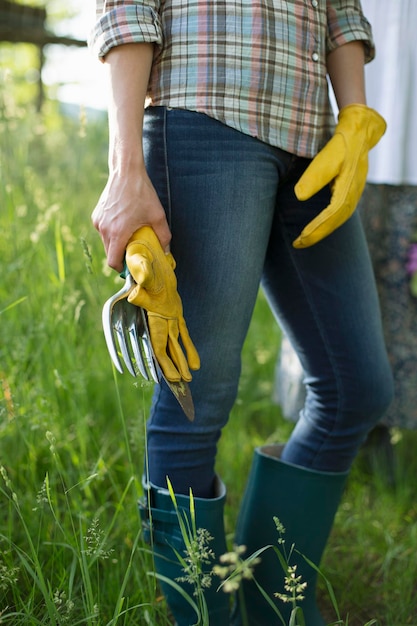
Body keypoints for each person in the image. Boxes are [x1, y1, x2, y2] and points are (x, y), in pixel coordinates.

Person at [89, 2, 394, 625]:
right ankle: (203, 616)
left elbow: (341, 10)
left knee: (355, 388)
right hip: (206, 115)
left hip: (316, 140)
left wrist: (356, 113)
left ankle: (270, 605)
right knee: (195, 395)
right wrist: (125, 170)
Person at [275, 0, 417, 471]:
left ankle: (387, 435)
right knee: (331, 309)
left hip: (391, 142)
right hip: (327, 129)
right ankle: (330, 438)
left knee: (397, 303)